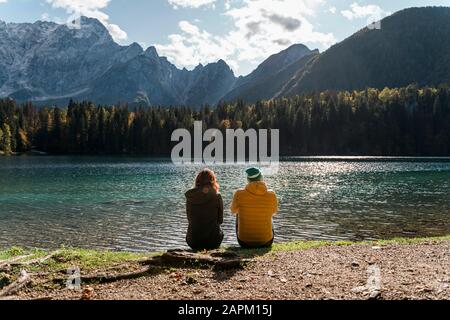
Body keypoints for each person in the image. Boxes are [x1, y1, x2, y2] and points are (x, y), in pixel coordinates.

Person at [231, 167, 279, 248]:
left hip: (244, 242)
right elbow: (274, 211)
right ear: (261, 178)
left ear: (248, 179)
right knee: (269, 213)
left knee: (238, 213)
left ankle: (247, 236)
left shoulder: (239, 193)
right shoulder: (271, 194)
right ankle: (263, 235)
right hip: (266, 242)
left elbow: (233, 211)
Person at [185, 169, 224, 250]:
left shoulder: (191, 196)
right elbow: (220, 220)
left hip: (193, 241)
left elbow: (189, 219)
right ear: (213, 180)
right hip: (213, 242)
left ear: (197, 180)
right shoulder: (217, 196)